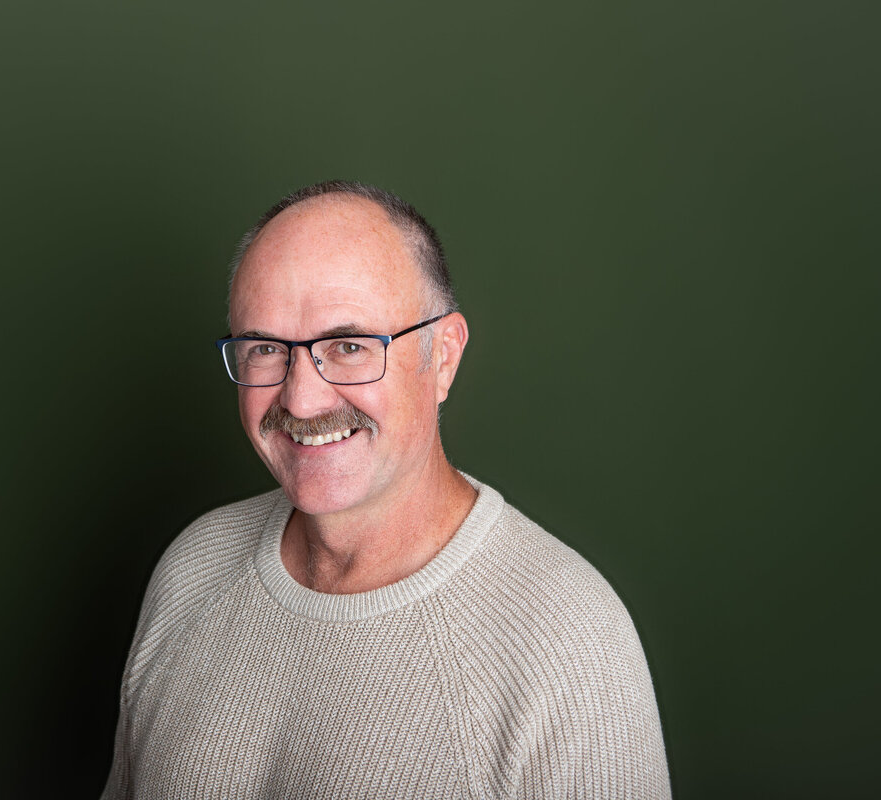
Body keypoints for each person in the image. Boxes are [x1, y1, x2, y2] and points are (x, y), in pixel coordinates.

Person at [100, 181, 670, 799]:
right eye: (266, 349)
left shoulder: (570, 651)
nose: (301, 397)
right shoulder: (192, 568)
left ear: (443, 356)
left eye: (348, 346)